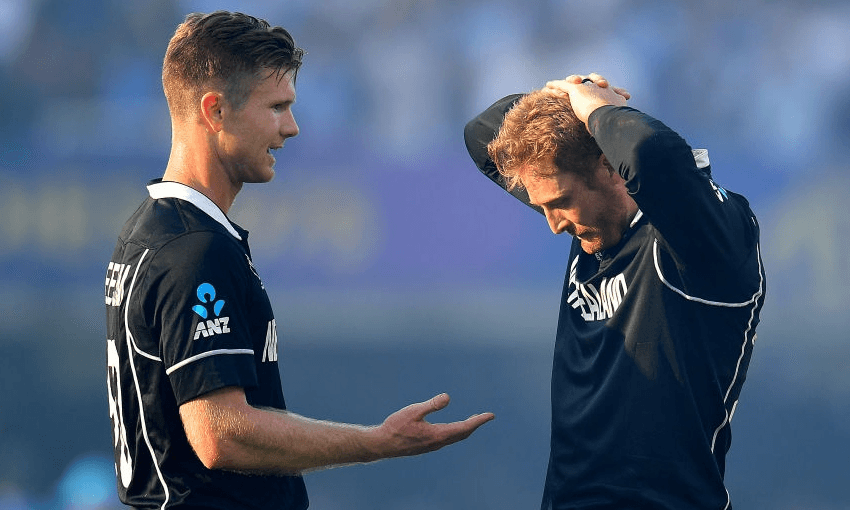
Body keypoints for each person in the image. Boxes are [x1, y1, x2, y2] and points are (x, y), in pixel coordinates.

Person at [104, 11, 493, 509]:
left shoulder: (152, 230)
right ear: (215, 110)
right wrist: (377, 442)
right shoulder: (194, 251)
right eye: (277, 107)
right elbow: (221, 434)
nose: (291, 127)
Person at [463, 73, 765, 509]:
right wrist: (559, 97)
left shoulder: (702, 243)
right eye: (542, 206)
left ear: (608, 165)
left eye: (558, 203)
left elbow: (654, 154)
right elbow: (480, 137)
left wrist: (597, 109)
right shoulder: (591, 219)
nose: (553, 225)